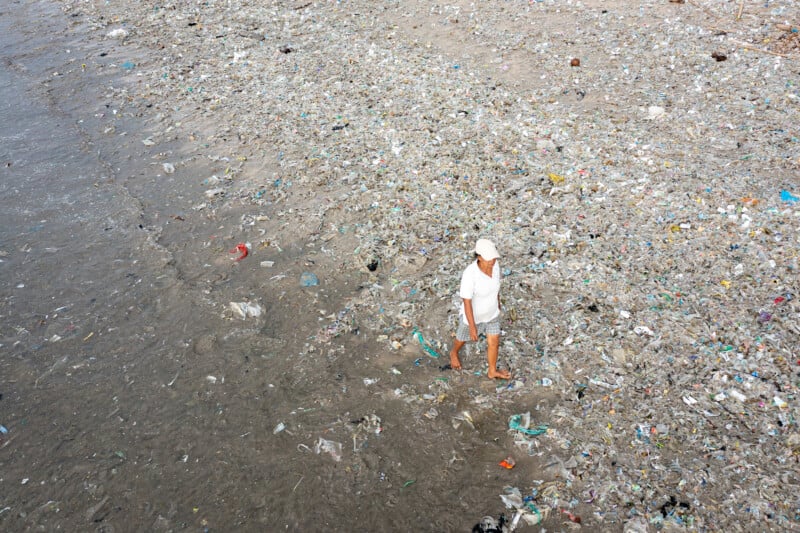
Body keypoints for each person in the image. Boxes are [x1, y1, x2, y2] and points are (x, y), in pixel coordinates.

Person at [449, 239, 511, 379]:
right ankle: (454, 352)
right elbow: (466, 301)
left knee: (494, 342)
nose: (492, 262)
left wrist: (498, 303)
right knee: (462, 338)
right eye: (489, 259)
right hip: (474, 316)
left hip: (491, 313)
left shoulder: (495, 266)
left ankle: (492, 371)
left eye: (494, 258)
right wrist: (472, 326)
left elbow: (496, 287)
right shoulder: (470, 274)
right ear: (479, 257)